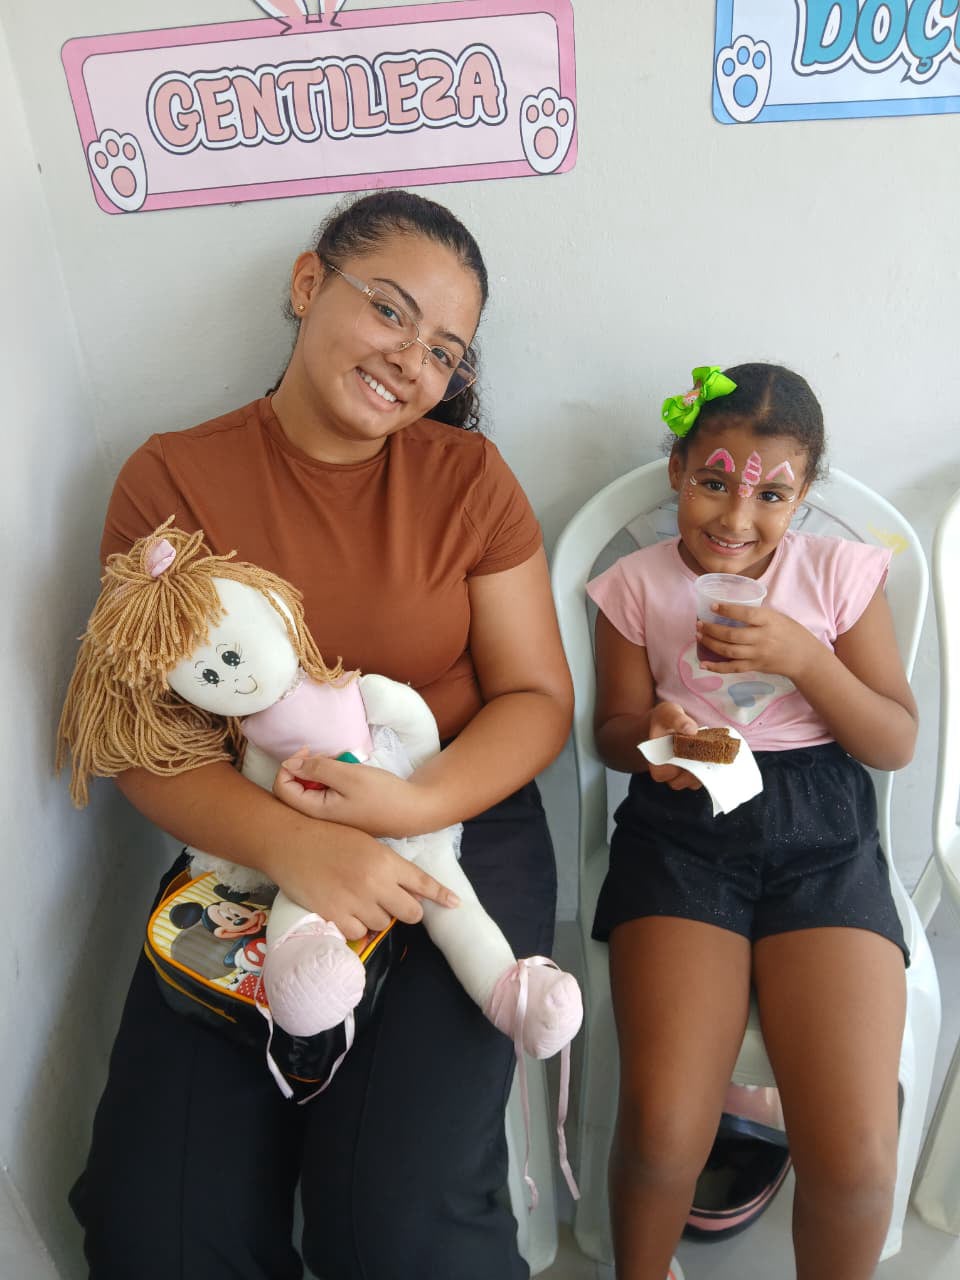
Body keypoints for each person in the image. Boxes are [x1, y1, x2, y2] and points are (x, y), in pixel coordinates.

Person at [68, 189, 574, 1280]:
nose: (410, 362)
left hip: (454, 827)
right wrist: (300, 847)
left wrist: (413, 805)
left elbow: (537, 695)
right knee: (157, 1228)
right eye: (390, 311)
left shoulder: (468, 480)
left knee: (397, 1227)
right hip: (248, 844)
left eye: (443, 351)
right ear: (308, 285)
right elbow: (138, 740)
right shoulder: (172, 479)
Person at [587, 363, 915, 1280]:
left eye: (771, 494)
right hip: (682, 831)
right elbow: (612, 732)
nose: (737, 517)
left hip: (824, 838)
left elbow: (893, 740)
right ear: (678, 472)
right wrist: (654, 736)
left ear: (803, 497)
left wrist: (806, 657)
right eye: (714, 482)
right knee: (662, 1132)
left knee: (855, 1155)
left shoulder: (840, 576)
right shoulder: (633, 587)